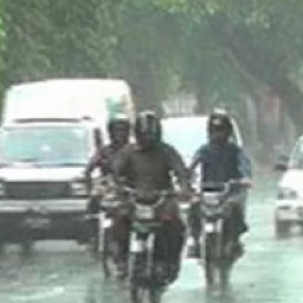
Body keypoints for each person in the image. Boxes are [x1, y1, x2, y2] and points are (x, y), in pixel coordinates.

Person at [113, 111, 192, 284]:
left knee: (177, 227)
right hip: (135, 200)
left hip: (162, 200)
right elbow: (115, 171)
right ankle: (121, 259)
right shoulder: (128, 152)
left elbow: (180, 171)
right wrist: (117, 187)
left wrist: (184, 188)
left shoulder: (166, 151)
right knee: (119, 220)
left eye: (151, 134)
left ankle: (169, 263)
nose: (148, 138)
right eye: (144, 134)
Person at [187, 111, 252, 258]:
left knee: (235, 207)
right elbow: (192, 166)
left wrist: (245, 178)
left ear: (228, 132)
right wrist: (187, 179)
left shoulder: (235, 151)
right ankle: (195, 240)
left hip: (230, 192)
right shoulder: (204, 150)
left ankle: (234, 240)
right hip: (208, 192)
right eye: (215, 130)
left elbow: (245, 166)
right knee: (194, 206)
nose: (218, 134)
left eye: (221, 130)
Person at [84, 117, 133, 261]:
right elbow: (90, 168)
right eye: (116, 131)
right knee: (94, 198)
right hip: (108, 185)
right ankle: (92, 234)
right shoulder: (104, 151)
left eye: (123, 131)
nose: (120, 134)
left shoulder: (134, 150)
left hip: (129, 185)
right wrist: (87, 182)